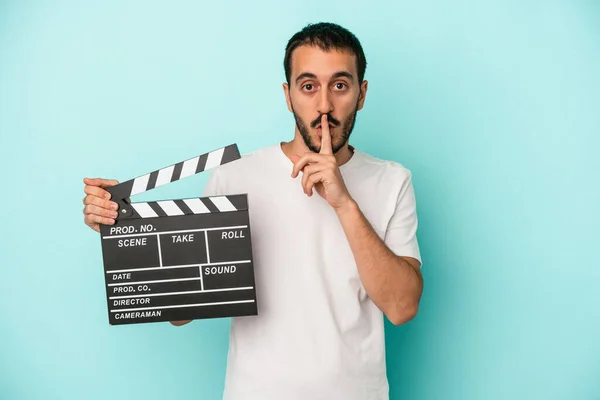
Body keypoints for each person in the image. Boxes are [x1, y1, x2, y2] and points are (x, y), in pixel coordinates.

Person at [82, 22, 423, 400]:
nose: (324, 105)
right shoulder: (235, 177)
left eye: (340, 85)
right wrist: (125, 233)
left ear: (361, 93)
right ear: (288, 95)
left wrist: (344, 202)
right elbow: (182, 312)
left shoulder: (393, 181)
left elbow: (402, 306)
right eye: (308, 86)